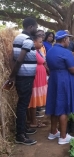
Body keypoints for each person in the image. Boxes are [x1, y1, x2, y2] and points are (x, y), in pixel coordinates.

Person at [45, 30, 74, 145]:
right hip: (64, 80)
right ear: (64, 40)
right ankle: (63, 136)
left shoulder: (50, 51)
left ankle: (53, 132)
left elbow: (48, 66)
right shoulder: (66, 52)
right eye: (68, 39)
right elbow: (73, 70)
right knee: (63, 107)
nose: (69, 41)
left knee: (54, 104)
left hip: (54, 79)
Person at [8, 17, 38, 145]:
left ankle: (24, 129)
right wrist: (12, 76)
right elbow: (19, 59)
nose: (36, 30)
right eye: (35, 27)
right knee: (22, 105)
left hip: (23, 75)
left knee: (23, 103)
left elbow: (13, 58)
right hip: (24, 76)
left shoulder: (19, 38)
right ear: (31, 27)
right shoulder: (27, 39)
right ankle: (20, 135)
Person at [27, 35, 48, 128]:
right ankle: (33, 121)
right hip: (36, 78)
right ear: (34, 42)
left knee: (34, 100)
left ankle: (33, 119)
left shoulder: (38, 51)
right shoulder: (33, 52)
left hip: (40, 77)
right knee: (33, 100)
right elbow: (42, 61)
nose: (41, 43)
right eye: (40, 42)